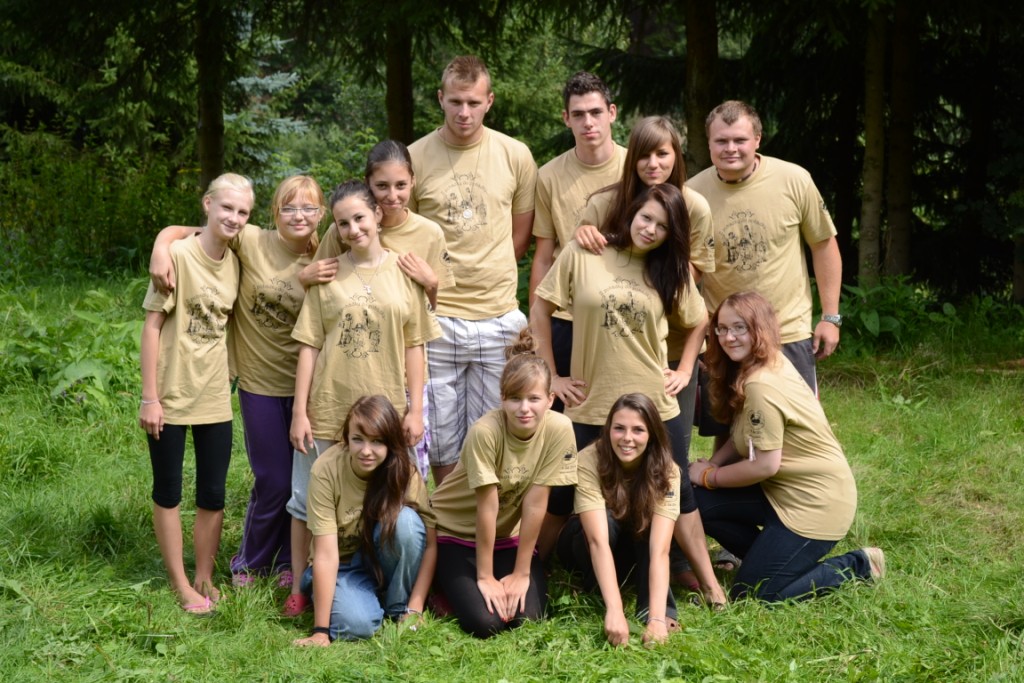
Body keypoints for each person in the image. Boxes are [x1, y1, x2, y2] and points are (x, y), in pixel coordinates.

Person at [532, 183, 727, 606]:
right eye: (646, 218)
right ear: (632, 213)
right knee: (562, 492)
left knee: (677, 493)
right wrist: (551, 377)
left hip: (653, 405)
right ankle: (536, 571)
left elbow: (700, 321)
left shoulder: (670, 269)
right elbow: (540, 308)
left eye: (663, 226)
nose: (650, 229)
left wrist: (685, 369)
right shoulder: (584, 252)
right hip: (589, 402)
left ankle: (711, 586)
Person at [148, 176, 331, 588]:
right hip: (260, 381)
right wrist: (161, 247)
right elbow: (195, 229)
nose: (298, 216)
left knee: (304, 482)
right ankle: (251, 562)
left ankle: (289, 562)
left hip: (310, 384)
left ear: (321, 214)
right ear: (274, 212)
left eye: (308, 208)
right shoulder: (251, 240)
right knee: (273, 480)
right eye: (289, 207)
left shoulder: (325, 253)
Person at [284, 180, 440, 616]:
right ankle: (300, 585)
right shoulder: (327, 274)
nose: (353, 229)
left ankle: (387, 589)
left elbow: (415, 345)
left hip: (383, 416)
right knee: (305, 500)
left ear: (376, 216)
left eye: (359, 218)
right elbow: (309, 345)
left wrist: (415, 409)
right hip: (328, 405)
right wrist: (299, 411)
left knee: (393, 505)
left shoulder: (403, 272)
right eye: (343, 223)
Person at [689, 291, 884, 601]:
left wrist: (709, 476)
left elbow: (765, 465)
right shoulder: (765, 363)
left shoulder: (761, 384)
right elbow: (744, 436)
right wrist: (715, 464)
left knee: (753, 594)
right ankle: (771, 561)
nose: (728, 337)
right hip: (780, 491)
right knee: (697, 502)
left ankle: (857, 565)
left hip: (814, 504)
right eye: (722, 329)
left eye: (739, 327)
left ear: (760, 328)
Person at [408, 55, 537, 486]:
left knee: (495, 434)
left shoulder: (515, 155)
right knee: (441, 439)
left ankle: (488, 520)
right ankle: (449, 521)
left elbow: (521, 236)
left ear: (489, 101)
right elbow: (406, 232)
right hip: (436, 318)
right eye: (456, 102)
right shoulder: (415, 158)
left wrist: (488, 271)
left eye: (474, 103)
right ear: (440, 98)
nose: (464, 112)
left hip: (497, 315)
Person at [313, 140, 456, 480]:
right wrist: (305, 275)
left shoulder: (428, 233)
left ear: (413, 182)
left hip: (404, 368)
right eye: (382, 186)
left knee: (402, 466)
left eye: (401, 185)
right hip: (354, 367)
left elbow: (430, 313)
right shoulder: (343, 227)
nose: (392, 196)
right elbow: (321, 288)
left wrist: (431, 283)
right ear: (368, 185)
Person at [138, 173, 249, 613]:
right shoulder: (178, 256)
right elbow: (151, 327)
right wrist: (150, 397)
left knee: (213, 493)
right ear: (207, 204)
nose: (234, 218)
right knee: (168, 489)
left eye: (243, 212)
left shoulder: (236, 262)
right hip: (170, 393)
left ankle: (203, 575)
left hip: (215, 395)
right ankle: (179, 582)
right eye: (227, 208)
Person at [427, 328, 577, 638]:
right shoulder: (485, 432)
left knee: (529, 618)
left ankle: (484, 580)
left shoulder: (560, 429)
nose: (524, 408)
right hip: (455, 531)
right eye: (515, 398)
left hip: (507, 536)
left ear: (550, 400)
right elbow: (487, 506)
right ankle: (441, 583)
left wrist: (522, 572)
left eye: (534, 398)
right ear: (502, 398)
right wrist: (485, 577)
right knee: (487, 624)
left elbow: (536, 502)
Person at [687, 100, 843, 393]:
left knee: (795, 418)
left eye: (740, 140)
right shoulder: (692, 194)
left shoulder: (794, 180)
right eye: (721, 141)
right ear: (708, 143)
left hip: (786, 331)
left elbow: (823, 245)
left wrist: (830, 317)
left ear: (757, 140)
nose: (730, 148)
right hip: (724, 337)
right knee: (727, 419)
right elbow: (687, 268)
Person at [293, 396, 436, 645]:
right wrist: (321, 631)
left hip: (382, 557)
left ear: (390, 442)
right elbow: (325, 555)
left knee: (408, 523)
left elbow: (430, 543)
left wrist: (415, 607)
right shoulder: (325, 470)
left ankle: (398, 608)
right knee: (357, 625)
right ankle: (360, 601)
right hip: (342, 565)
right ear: (346, 439)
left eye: (377, 441)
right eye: (358, 439)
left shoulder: (404, 470)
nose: (366, 451)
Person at [527, 71, 625, 413]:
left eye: (596, 112)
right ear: (566, 118)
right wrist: (536, 331)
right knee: (564, 423)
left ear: (612, 113)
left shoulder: (635, 168)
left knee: (623, 420)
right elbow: (543, 257)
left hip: (622, 313)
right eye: (579, 114)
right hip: (566, 319)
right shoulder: (549, 176)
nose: (588, 122)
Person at [557, 393, 683, 647]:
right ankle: (598, 589)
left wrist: (657, 618)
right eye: (619, 428)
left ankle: (656, 612)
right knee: (606, 520)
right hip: (589, 543)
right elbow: (597, 541)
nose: (627, 438)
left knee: (650, 524)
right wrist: (615, 610)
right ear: (608, 430)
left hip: (632, 546)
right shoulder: (589, 459)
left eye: (638, 430)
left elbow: (660, 549)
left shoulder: (668, 470)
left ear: (652, 435)